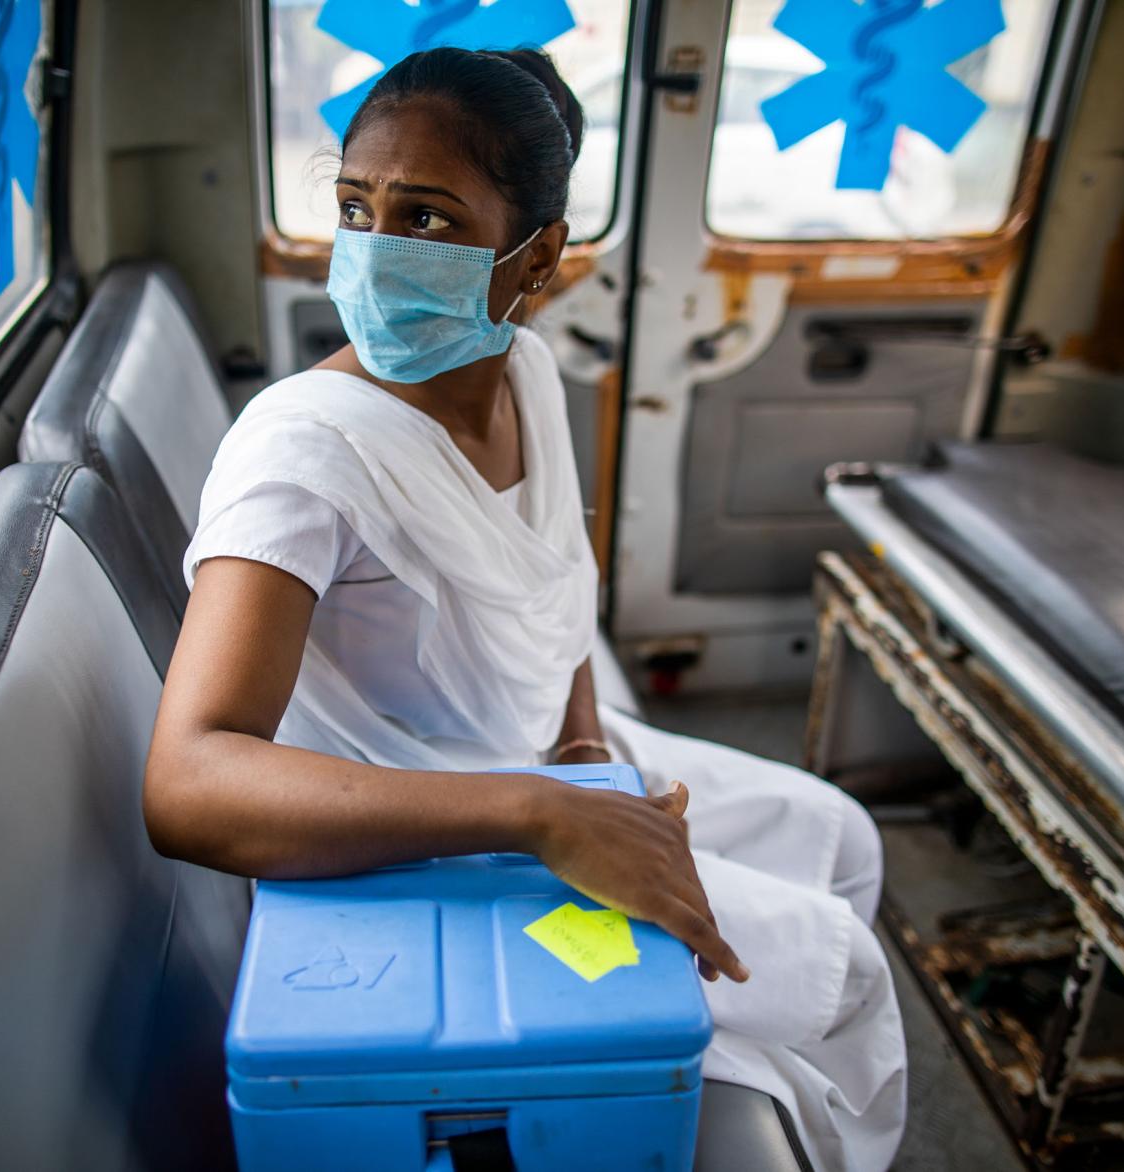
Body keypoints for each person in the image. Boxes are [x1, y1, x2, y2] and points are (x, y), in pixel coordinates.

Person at [145, 46, 906, 1172]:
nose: (375, 249)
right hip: (423, 833)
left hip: (548, 766)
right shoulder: (301, 454)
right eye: (355, 208)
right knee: (846, 973)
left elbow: (556, 576)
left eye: (428, 218)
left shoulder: (530, 375)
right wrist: (542, 813)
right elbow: (189, 781)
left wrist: (587, 751)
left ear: (537, 256)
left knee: (837, 834)